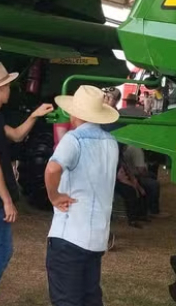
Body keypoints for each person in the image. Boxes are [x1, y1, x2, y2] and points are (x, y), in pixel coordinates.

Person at [0, 62, 54, 306]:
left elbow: (15, 134)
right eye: (9, 85)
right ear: (1, 87)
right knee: (3, 251)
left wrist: (34, 114)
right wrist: (7, 201)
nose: (11, 89)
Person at [44, 85, 120, 306]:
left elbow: (52, 169)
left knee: (66, 299)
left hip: (70, 235)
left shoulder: (73, 139)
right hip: (97, 237)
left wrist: (53, 196)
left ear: (75, 112)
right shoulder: (111, 143)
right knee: (90, 298)